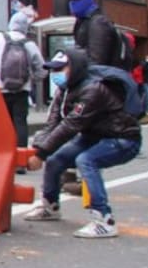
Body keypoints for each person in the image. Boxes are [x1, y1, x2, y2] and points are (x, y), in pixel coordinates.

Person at [23, 48, 141, 238]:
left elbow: (70, 125)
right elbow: (53, 122)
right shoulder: (65, 90)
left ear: (75, 68)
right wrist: (38, 148)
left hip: (122, 139)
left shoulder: (93, 90)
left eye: (61, 69)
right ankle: (50, 206)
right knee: (55, 160)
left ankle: (104, 220)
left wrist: (40, 155)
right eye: (53, 70)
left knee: (86, 160)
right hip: (93, 137)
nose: (56, 74)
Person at [0, 9, 46, 170]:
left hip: (0, 89)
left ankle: (2, 160)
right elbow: (42, 69)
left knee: (3, 124)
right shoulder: (29, 44)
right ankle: (20, 162)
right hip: (22, 90)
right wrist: (31, 79)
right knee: (20, 123)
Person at [64, 0, 120, 66]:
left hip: (98, 77)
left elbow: (96, 61)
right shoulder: (82, 21)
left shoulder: (98, 22)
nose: (72, 2)